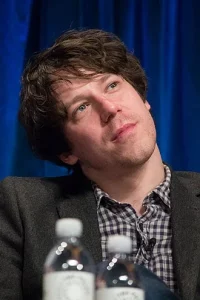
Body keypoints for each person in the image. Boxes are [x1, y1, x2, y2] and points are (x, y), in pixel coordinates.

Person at [0, 29, 199, 300]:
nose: (109, 108)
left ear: (144, 99)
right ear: (67, 151)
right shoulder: (22, 207)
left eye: (112, 85)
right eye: (81, 107)